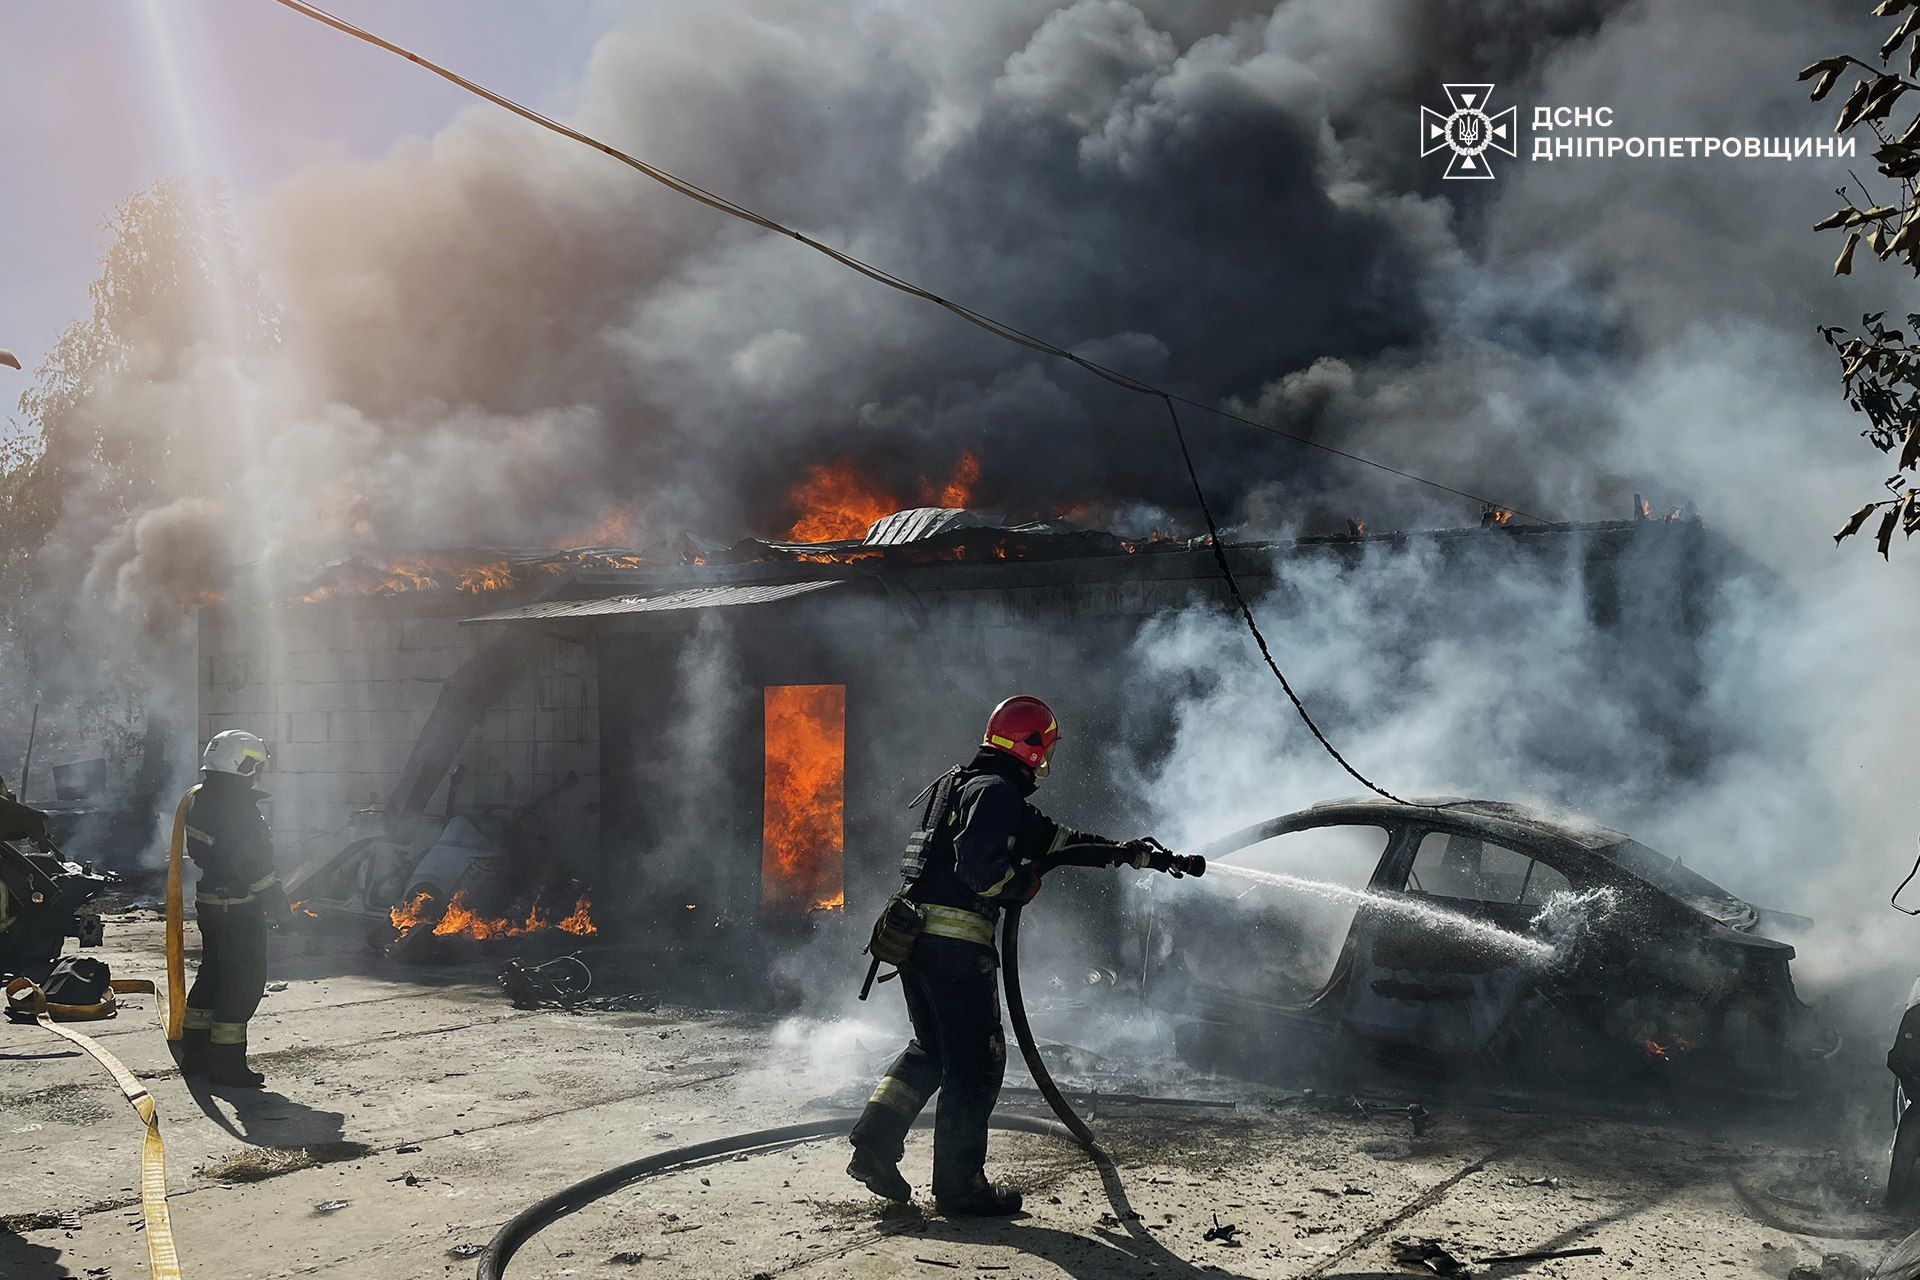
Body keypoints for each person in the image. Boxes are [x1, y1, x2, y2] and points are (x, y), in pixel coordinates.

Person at [847, 695, 1178, 1215]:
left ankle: (874, 1142)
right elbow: (981, 872)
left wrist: (1123, 852)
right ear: (1030, 747)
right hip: (955, 950)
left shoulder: (967, 786)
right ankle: (960, 1188)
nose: (1045, 760)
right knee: (976, 1064)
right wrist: (1021, 883)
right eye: (1043, 748)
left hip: (914, 943)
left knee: (932, 1049)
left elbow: (1055, 841)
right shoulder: (996, 792)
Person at [176, 730, 289, 1088]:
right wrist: (279, 905)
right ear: (241, 766)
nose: (256, 774)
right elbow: (254, 865)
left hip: (211, 902)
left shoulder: (201, 800)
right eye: (254, 767)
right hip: (239, 908)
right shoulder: (239, 810)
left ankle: (194, 1055)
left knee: (211, 976)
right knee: (242, 983)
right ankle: (227, 1066)